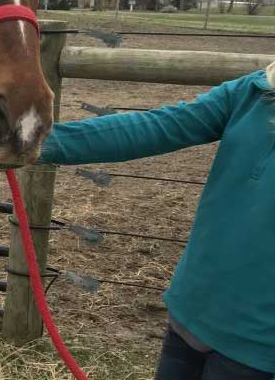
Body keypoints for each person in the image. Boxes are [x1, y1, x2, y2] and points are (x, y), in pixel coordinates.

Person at [38, 61, 275, 380]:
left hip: (260, 349)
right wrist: (34, 140)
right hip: (191, 314)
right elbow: (159, 126)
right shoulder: (254, 91)